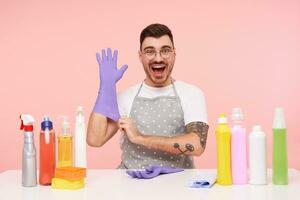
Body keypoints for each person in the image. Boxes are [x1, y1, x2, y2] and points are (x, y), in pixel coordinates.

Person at [87, 23, 209, 169]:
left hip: (177, 184)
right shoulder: (126, 97)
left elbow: (197, 144)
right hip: (130, 185)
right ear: (140, 56)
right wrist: (105, 88)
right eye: (150, 51)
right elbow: (95, 139)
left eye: (165, 50)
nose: (158, 59)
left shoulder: (191, 94)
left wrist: (140, 138)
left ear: (174, 53)